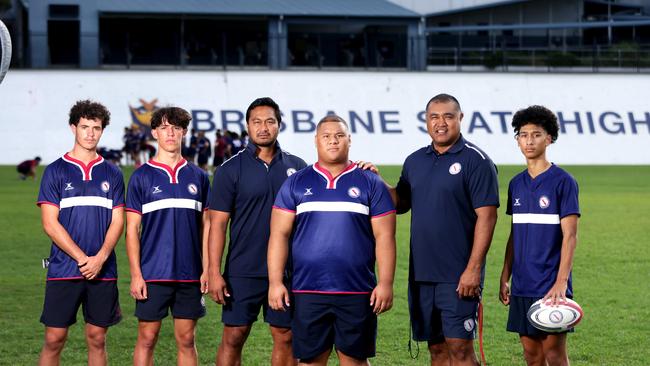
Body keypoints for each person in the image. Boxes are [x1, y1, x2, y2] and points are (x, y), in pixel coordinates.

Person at [268, 114, 397, 365]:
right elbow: (278, 235)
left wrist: (386, 283)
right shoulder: (295, 182)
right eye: (326, 136)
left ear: (349, 140)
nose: (333, 141)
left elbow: (385, 237)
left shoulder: (370, 181)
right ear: (316, 141)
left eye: (339, 136)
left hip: (357, 290)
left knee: (355, 361)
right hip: (307, 289)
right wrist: (275, 282)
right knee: (310, 361)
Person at [389, 94, 499, 366]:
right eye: (434, 117)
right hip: (422, 275)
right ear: (426, 121)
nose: (441, 123)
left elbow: (487, 217)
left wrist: (473, 269)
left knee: (460, 350)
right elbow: (401, 203)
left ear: (460, 118)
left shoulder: (477, 161)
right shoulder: (415, 161)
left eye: (448, 116)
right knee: (436, 349)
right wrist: (374, 180)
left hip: (458, 276)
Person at [208, 97, 307, 365]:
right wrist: (213, 272)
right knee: (234, 335)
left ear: (279, 125)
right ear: (248, 126)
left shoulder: (298, 168)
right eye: (257, 122)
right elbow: (217, 225)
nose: (263, 127)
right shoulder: (229, 170)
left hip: (288, 270)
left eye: (269, 121)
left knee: (285, 335)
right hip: (243, 269)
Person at [36, 100, 124, 366]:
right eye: (84, 126)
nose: (90, 133)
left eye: (96, 128)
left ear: (102, 131)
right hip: (64, 268)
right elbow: (50, 223)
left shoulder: (113, 172)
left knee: (97, 337)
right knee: (54, 338)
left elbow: (117, 221)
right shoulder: (55, 171)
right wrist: (82, 259)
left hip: (103, 269)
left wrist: (99, 258)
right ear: (73, 127)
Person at [125, 107, 211, 366]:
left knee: (186, 339)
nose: (170, 133)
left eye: (175, 128)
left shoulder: (199, 176)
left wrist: (207, 269)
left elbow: (207, 227)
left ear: (184, 132)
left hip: (190, 274)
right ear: (154, 133)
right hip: (152, 274)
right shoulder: (141, 176)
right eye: (164, 128)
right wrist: (136, 274)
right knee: (147, 338)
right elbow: (132, 230)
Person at [499, 105, 580, 366]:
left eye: (536, 134)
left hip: (551, 286)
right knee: (531, 356)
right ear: (517, 140)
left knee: (554, 355)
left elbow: (570, 237)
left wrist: (561, 282)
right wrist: (505, 275)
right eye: (523, 135)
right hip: (522, 284)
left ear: (549, 138)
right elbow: (515, 234)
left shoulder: (564, 182)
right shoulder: (516, 184)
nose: (529, 140)